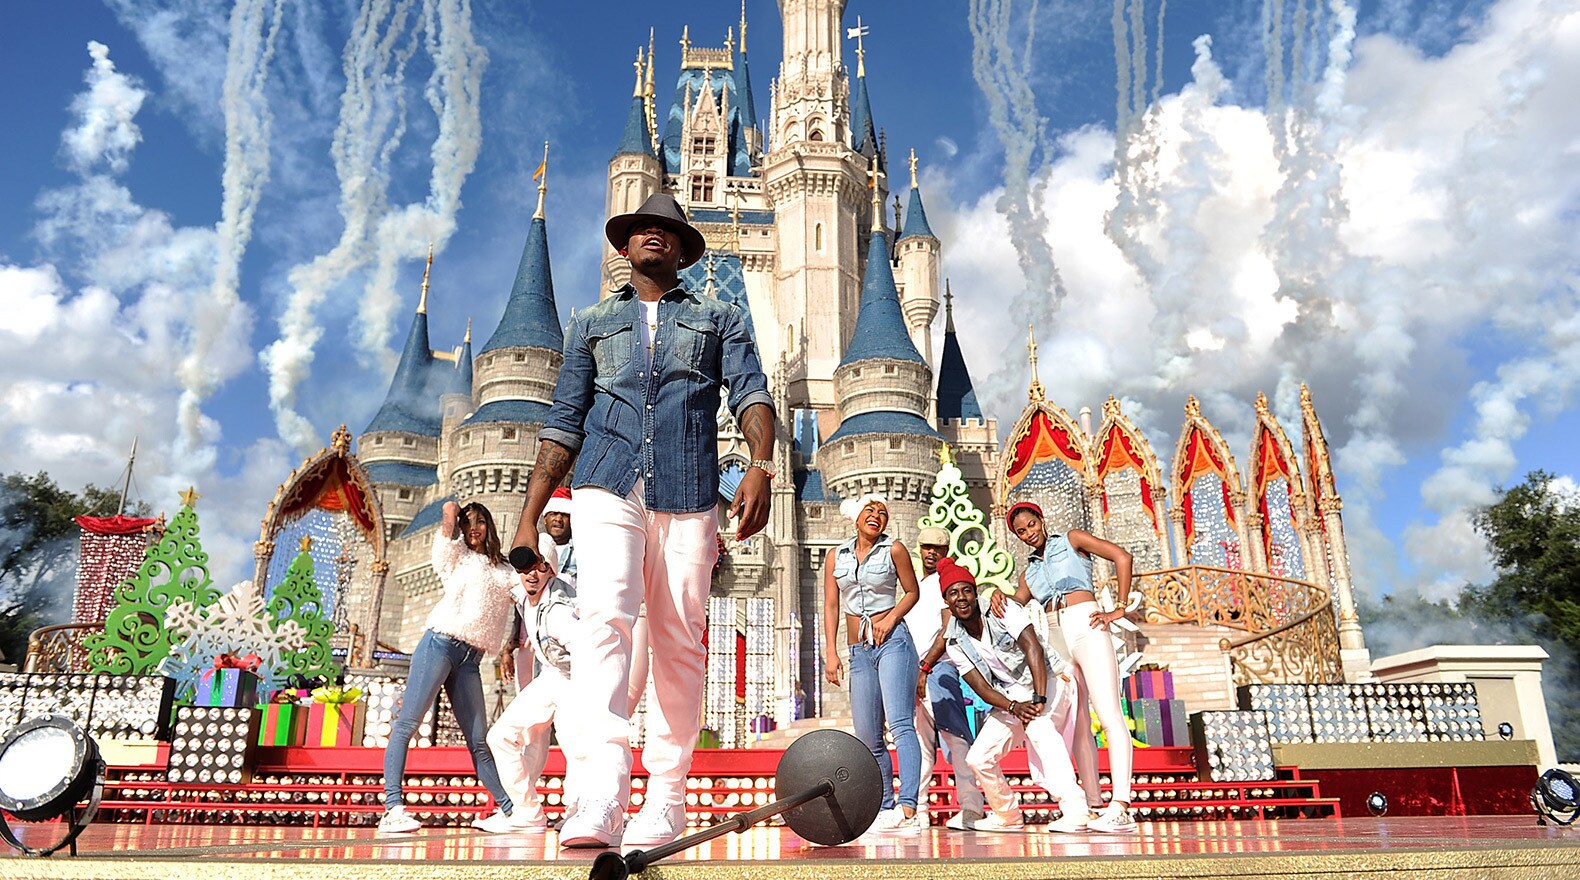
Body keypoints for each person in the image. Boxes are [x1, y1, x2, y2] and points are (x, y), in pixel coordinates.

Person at [509, 193, 777, 849]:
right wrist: (528, 517)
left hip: (688, 488)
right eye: (641, 228)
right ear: (624, 247)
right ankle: (600, 792)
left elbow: (752, 393)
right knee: (604, 626)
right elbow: (562, 422)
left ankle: (666, 797)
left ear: (684, 249)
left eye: (668, 229)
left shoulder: (720, 318)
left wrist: (761, 466)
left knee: (680, 639)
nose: (654, 234)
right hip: (606, 484)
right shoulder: (591, 325)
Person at [998, 501, 1138, 834]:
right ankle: (1092, 805)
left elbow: (1123, 557)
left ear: (1042, 520)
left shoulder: (1072, 540)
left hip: (1086, 624)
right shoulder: (1028, 571)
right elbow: (1016, 602)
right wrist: (994, 594)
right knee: (1077, 724)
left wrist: (1118, 608)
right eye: (1022, 531)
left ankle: (1122, 805)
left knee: (1109, 714)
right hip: (1055, 638)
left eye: (1032, 525)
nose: (1029, 533)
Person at [380, 501, 519, 834]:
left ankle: (511, 812)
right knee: (407, 725)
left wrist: (510, 648)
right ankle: (392, 808)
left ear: (491, 525)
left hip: (471, 661)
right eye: (468, 523)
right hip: (439, 645)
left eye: (481, 521)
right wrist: (455, 516)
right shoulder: (457, 557)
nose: (474, 528)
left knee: (478, 740)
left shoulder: (505, 571)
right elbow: (448, 513)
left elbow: (525, 602)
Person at [936, 558, 1090, 834]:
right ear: (946, 600)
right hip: (1012, 697)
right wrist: (1014, 706)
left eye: (966, 590)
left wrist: (1039, 699)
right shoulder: (954, 641)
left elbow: (1033, 647)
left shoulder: (1000, 608)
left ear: (975, 590)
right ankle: (1007, 816)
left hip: (1050, 679)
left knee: (1039, 727)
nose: (961, 598)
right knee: (978, 758)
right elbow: (981, 687)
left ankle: (1075, 809)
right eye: (953, 593)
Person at [822, 494, 925, 835]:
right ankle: (885, 806)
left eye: (882, 512)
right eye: (871, 509)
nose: (877, 515)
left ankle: (910, 807)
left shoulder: (893, 549)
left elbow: (912, 592)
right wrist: (832, 653)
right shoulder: (836, 556)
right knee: (868, 736)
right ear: (856, 518)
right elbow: (832, 606)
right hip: (858, 650)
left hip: (893, 642)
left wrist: (890, 618)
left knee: (900, 724)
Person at [484, 553, 578, 833]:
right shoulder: (523, 591)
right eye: (525, 569)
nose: (532, 574)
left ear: (550, 569)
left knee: (576, 746)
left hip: (576, 679)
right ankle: (526, 811)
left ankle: (578, 812)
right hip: (551, 675)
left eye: (540, 567)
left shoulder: (560, 608)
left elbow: (587, 651)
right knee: (500, 736)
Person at [906, 527, 986, 830]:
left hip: (938, 667)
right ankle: (919, 809)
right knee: (919, 742)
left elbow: (948, 628)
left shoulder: (946, 579)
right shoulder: (920, 584)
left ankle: (971, 807)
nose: (931, 552)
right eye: (926, 547)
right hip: (916, 670)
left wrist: (926, 667)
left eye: (937, 548)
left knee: (955, 736)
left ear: (946, 549)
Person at [501, 488, 575, 686]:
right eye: (554, 514)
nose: (558, 519)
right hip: (529, 637)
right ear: (544, 518)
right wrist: (509, 645)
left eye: (565, 514)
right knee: (527, 693)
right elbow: (522, 600)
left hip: (556, 636)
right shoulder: (531, 547)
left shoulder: (579, 552)